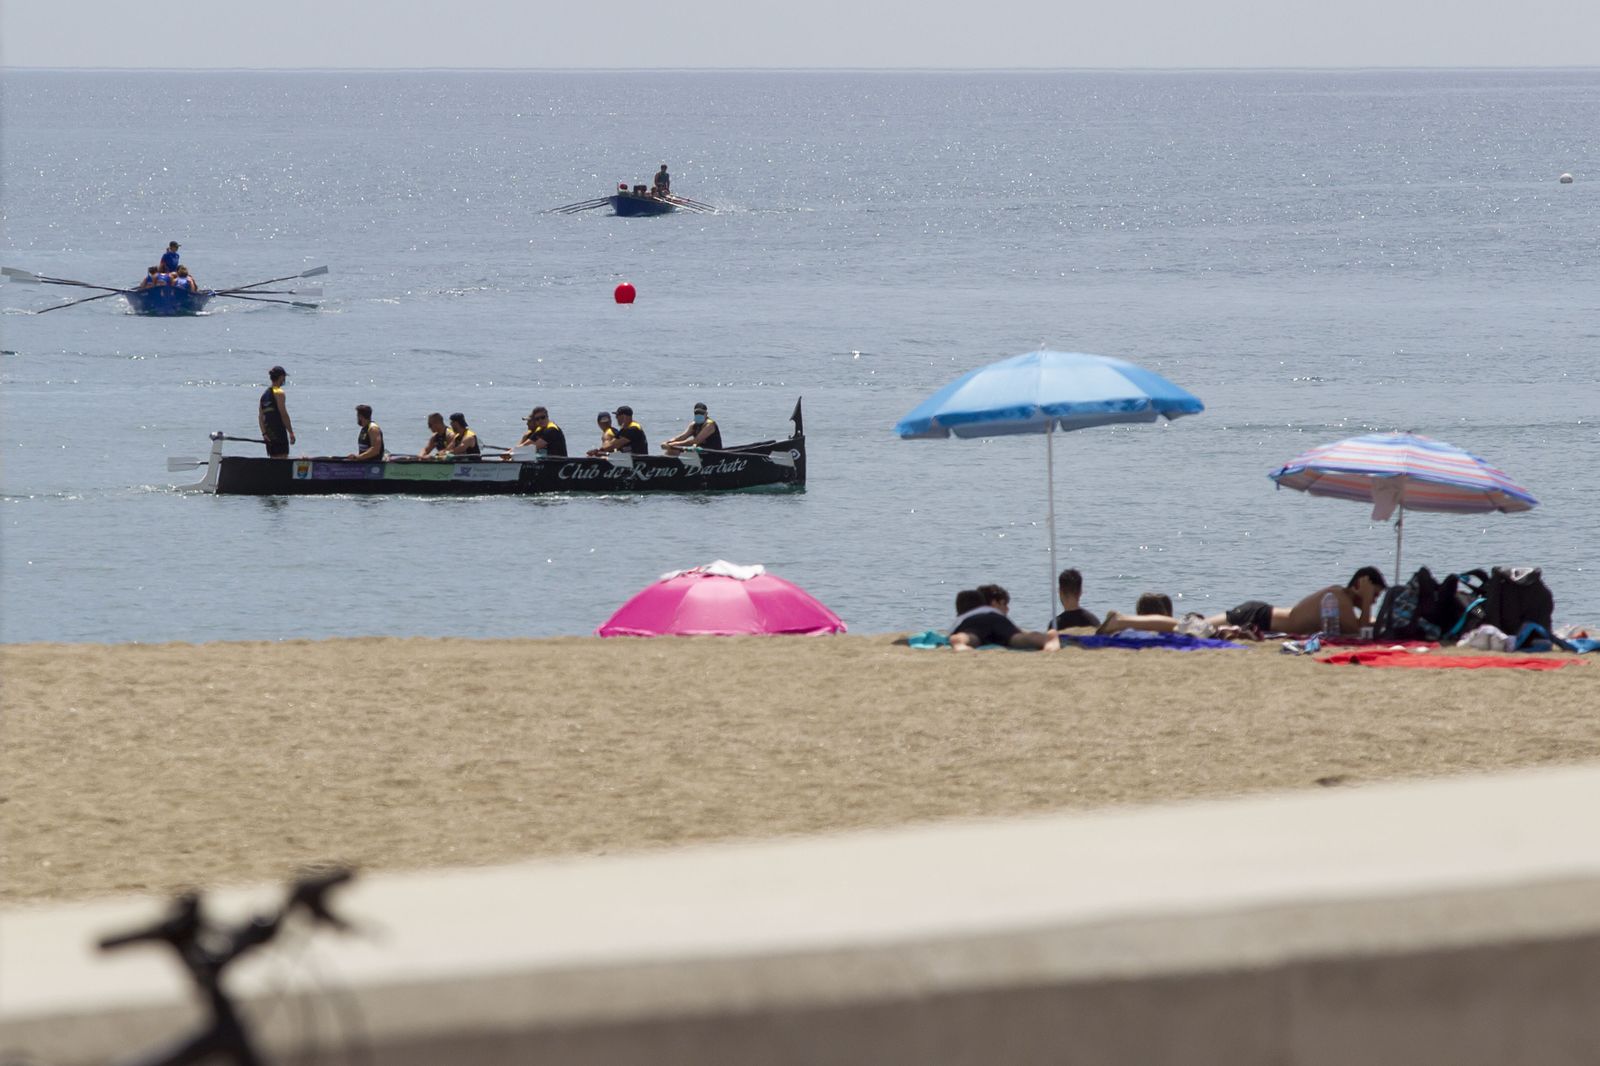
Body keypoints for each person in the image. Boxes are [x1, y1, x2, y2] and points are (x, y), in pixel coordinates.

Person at [1099, 567, 1388, 637]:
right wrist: (1367, 603)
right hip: (1257, 617)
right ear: (1360, 583)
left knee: (1186, 627)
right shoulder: (1338, 597)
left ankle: (1122, 620)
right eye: (1373, 593)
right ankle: (1121, 620)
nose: (1372, 601)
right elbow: (1356, 632)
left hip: (1258, 612)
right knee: (1184, 628)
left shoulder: (1339, 597)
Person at [950, 584, 1059, 652]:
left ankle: (959, 642)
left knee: (971, 636)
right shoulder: (991, 611)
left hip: (972, 622)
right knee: (1017, 638)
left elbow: (953, 631)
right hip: (996, 619)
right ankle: (1047, 639)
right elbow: (1021, 632)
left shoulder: (963, 618)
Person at [257, 366, 294, 459]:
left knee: (273, 461)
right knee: (282, 461)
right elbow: (283, 414)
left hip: (269, 434)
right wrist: (291, 432)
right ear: (281, 377)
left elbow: (260, 417)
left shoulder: (264, 395)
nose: (284, 380)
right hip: (279, 432)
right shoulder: (279, 392)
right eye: (284, 378)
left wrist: (264, 434)